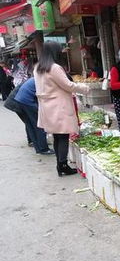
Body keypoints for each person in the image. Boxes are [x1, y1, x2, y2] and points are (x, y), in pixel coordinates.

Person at [34, 41, 90, 176]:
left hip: (47, 107)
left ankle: (60, 165)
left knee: (57, 136)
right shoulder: (54, 68)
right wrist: (85, 88)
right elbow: (68, 85)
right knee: (63, 135)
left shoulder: (38, 67)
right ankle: (63, 165)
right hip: (58, 106)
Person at [14, 77, 54, 155]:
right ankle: (44, 149)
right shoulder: (45, 79)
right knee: (39, 124)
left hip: (20, 100)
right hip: (28, 101)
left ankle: (38, 149)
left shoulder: (38, 77)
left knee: (31, 125)